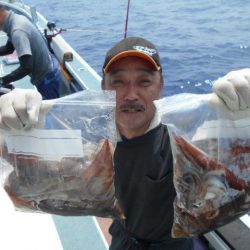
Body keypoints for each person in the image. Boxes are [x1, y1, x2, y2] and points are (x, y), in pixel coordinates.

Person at [0, 37, 250, 249]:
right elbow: (19, 181)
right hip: (123, 240)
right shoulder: (87, 140)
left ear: (161, 86)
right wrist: (17, 129)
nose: (131, 94)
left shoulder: (186, 138)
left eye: (144, 81)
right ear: (103, 88)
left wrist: (240, 116)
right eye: (118, 81)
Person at [0, 5, 62, 100]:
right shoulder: (16, 19)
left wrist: (2, 80)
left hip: (46, 78)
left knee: (50, 111)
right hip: (50, 66)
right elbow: (9, 48)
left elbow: (26, 68)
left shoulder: (17, 31)